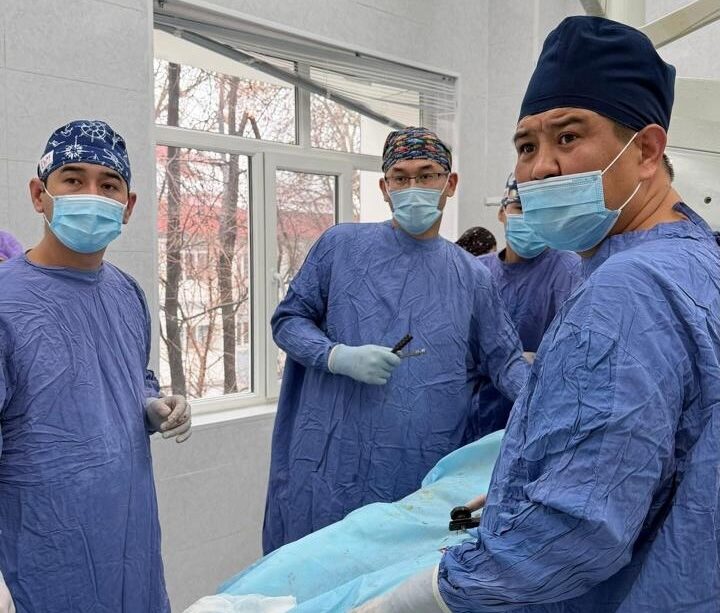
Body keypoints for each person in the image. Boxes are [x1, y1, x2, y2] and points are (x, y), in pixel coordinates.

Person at [356, 16, 720, 612]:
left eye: (568, 138)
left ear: (647, 151)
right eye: (527, 147)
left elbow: (577, 528)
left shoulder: (627, 288)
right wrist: (520, 489)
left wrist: (419, 600)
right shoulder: (696, 257)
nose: (541, 168)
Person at [263, 127, 530, 554]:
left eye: (426, 175)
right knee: (322, 568)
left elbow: (505, 361)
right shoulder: (341, 247)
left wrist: (552, 399)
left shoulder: (472, 276)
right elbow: (288, 320)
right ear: (384, 188)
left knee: (398, 575)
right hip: (332, 467)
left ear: (450, 183)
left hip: (419, 470)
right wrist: (336, 356)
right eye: (400, 177)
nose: (413, 187)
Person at [0, 120, 191, 613]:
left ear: (128, 206)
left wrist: (150, 405)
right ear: (39, 195)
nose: (92, 194)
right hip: (40, 556)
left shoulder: (127, 292)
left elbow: (129, 377)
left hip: (129, 542)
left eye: (109, 185)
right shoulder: (6, 300)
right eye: (73, 179)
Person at [472, 173, 582, 435]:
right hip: (479, 415)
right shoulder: (477, 272)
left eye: (540, 211)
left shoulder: (570, 271)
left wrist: (539, 362)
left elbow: (579, 354)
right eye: (521, 208)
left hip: (542, 416)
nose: (531, 218)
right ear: (502, 212)